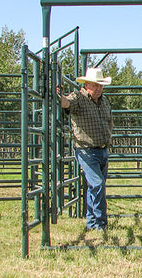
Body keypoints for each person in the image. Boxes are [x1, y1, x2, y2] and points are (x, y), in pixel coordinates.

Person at [57, 67, 113, 230]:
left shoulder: (104, 101)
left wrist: (109, 136)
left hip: (102, 149)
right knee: (97, 184)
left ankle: (92, 222)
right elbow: (66, 103)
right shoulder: (78, 98)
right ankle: (100, 222)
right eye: (95, 85)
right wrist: (57, 95)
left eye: (101, 85)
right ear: (86, 84)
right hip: (86, 150)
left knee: (96, 186)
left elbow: (109, 120)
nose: (99, 89)